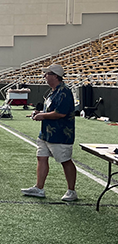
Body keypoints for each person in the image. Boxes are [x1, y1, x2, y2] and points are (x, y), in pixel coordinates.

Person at [21, 64, 77, 201]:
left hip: (61, 134)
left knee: (65, 160)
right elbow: (52, 111)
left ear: (55, 76)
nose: (45, 77)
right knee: (41, 157)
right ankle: (39, 187)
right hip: (46, 133)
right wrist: (40, 113)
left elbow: (61, 113)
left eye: (47, 74)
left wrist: (43, 116)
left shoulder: (65, 92)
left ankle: (71, 190)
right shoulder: (54, 91)